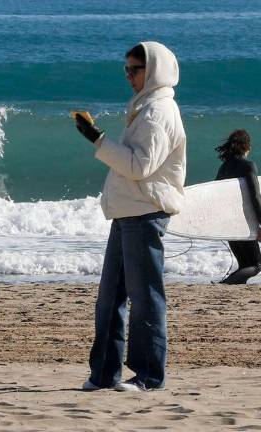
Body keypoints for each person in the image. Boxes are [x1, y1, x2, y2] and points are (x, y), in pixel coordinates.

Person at [74, 41, 186, 392]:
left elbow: (140, 166)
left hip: (145, 212)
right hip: (128, 212)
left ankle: (150, 376)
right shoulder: (143, 106)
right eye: (126, 69)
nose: (128, 76)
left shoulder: (158, 112)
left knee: (146, 298)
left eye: (134, 69)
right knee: (110, 298)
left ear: (153, 71)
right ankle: (105, 373)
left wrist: (97, 139)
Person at [214, 129, 261, 284]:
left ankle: (230, 285)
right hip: (242, 222)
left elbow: (215, 195)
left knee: (244, 264)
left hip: (228, 221)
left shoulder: (224, 168)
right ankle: (225, 284)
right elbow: (255, 196)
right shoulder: (247, 165)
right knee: (256, 265)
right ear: (247, 147)